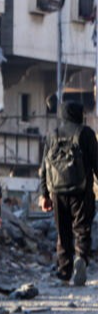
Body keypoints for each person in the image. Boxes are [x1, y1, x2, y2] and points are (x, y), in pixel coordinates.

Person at [38, 101, 97, 286]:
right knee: (82, 229)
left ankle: (64, 273)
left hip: (57, 192)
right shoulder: (85, 133)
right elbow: (97, 162)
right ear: (79, 114)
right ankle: (81, 258)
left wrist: (44, 195)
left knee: (62, 233)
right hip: (81, 191)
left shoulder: (52, 135)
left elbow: (44, 168)